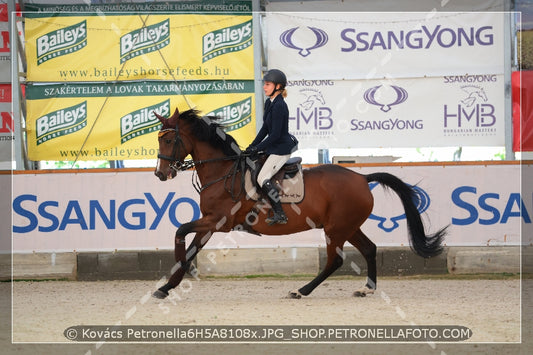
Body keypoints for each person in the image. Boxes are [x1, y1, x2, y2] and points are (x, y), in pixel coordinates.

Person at [244, 69, 298, 225]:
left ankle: (280, 213)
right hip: (273, 147)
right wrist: (252, 146)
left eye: (267, 84)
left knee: (262, 178)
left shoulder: (280, 106)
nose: (264, 87)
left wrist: (258, 148)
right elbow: (265, 129)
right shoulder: (269, 102)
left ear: (278, 86)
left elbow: (275, 135)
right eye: (264, 84)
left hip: (281, 150)